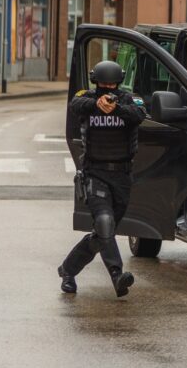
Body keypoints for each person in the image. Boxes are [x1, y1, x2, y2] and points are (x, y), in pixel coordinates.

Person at [59, 61, 147, 297]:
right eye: (102, 84)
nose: (107, 89)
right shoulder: (86, 98)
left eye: (112, 84)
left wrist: (116, 107)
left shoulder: (129, 99)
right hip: (95, 173)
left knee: (102, 235)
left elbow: (139, 114)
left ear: (119, 83)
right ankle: (118, 276)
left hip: (122, 176)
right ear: (95, 81)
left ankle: (68, 270)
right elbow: (76, 104)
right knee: (105, 223)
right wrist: (96, 104)